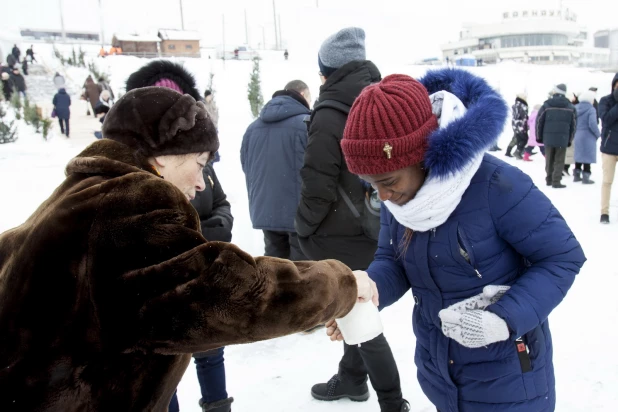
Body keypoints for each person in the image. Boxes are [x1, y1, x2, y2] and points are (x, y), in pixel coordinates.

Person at [0, 85, 367, 412]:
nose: (202, 182)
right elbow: (235, 296)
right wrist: (343, 284)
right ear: (163, 155)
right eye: (199, 163)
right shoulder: (133, 201)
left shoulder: (77, 198)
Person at [332, 70, 586, 412]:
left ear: (421, 154)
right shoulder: (400, 197)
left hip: (510, 379)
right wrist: (364, 288)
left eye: (387, 181)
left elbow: (562, 257)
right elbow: (393, 261)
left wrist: (504, 318)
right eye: (371, 184)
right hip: (441, 374)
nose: (383, 196)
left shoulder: (496, 184)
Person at [296, 27, 408, 412]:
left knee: (360, 315)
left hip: (340, 230)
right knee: (356, 307)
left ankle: (393, 402)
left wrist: (303, 226)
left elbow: (316, 182)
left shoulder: (329, 112)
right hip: (377, 221)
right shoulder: (377, 99)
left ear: (328, 72)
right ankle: (352, 378)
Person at [125, 60, 233, 412]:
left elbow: (223, 208)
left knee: (210, 351)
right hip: (159, 301)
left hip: (205, 277)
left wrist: (197, 232)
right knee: (163, 368)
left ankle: (218, 404)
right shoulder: (128, 187)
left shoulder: (201, 166)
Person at [241, 80, 311, 260]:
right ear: (302, 95)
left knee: (275, 269)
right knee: (301, 273)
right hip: (299, 213)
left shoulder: (252, 128)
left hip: (266, 211)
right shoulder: (306, 125)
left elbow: (246, 164)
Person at [536, 83, 577, 189]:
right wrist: (569, 139)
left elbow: (539, 121)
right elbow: (574, 125)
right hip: (562, 138)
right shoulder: (570, 107)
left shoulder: (547, 105)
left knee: (549, 158)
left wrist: (539, 136)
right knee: (559, 160)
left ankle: (549, 179)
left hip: (548, 137)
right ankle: (556, 181)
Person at [599, 72, 618, 224]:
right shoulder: (605, 100)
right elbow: (606, 120)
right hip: (609, 148)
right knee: (607, 181)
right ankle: (604, 212)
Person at [573, 90, 600, 184]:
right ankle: (586, 176)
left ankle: (576, 175)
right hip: (588, 135)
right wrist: (597, 134)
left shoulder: (575, 108)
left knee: (578, 154)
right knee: (587, 156)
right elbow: (592, 123)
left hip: (577, 134)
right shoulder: (591, 109)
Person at [504, 92, 528, 159]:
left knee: (517, 138)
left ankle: (512, 151)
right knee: (523, 139)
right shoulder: (521, 105)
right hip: (520, 125)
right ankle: (517, 152)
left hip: (517, 125)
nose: (526, 97)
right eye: (524, 95)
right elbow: (521, 116)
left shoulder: (518, 104)